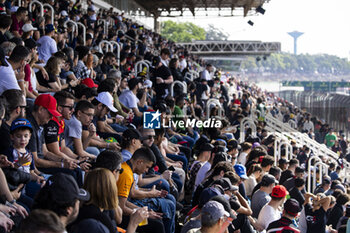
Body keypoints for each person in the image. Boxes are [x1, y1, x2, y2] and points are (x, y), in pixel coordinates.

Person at [117, 147, 166, 233]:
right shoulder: (126, 175)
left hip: (123, 210)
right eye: (147, 167)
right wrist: (144, 214)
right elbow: (121, 208)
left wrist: (143, 211)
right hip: (119, 217)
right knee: (157, 225)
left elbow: (124, 201)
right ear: (139, 162)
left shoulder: (128, 169)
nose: (146, 171)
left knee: (157, 221)